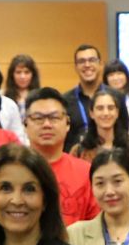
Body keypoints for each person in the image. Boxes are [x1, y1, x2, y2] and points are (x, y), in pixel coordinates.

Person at [23, 88, 99, 224]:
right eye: (38, 118)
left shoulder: (86, 172)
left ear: (68, 123)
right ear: (25, 124)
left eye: (54, 118)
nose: (46, 124)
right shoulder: (12, 170)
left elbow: (96, 226)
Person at [72, 86, 129, 160]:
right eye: (100, 108)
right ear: (91, 113)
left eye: (110, 108)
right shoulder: (79, 151)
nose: (106, 113)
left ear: (117, 113)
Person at [67, 44, 108, 138]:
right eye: (81, 61)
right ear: (76, 67)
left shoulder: (116, 96)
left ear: (101, 64)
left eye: (92, 60)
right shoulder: (65, 101)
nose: (87, 65)